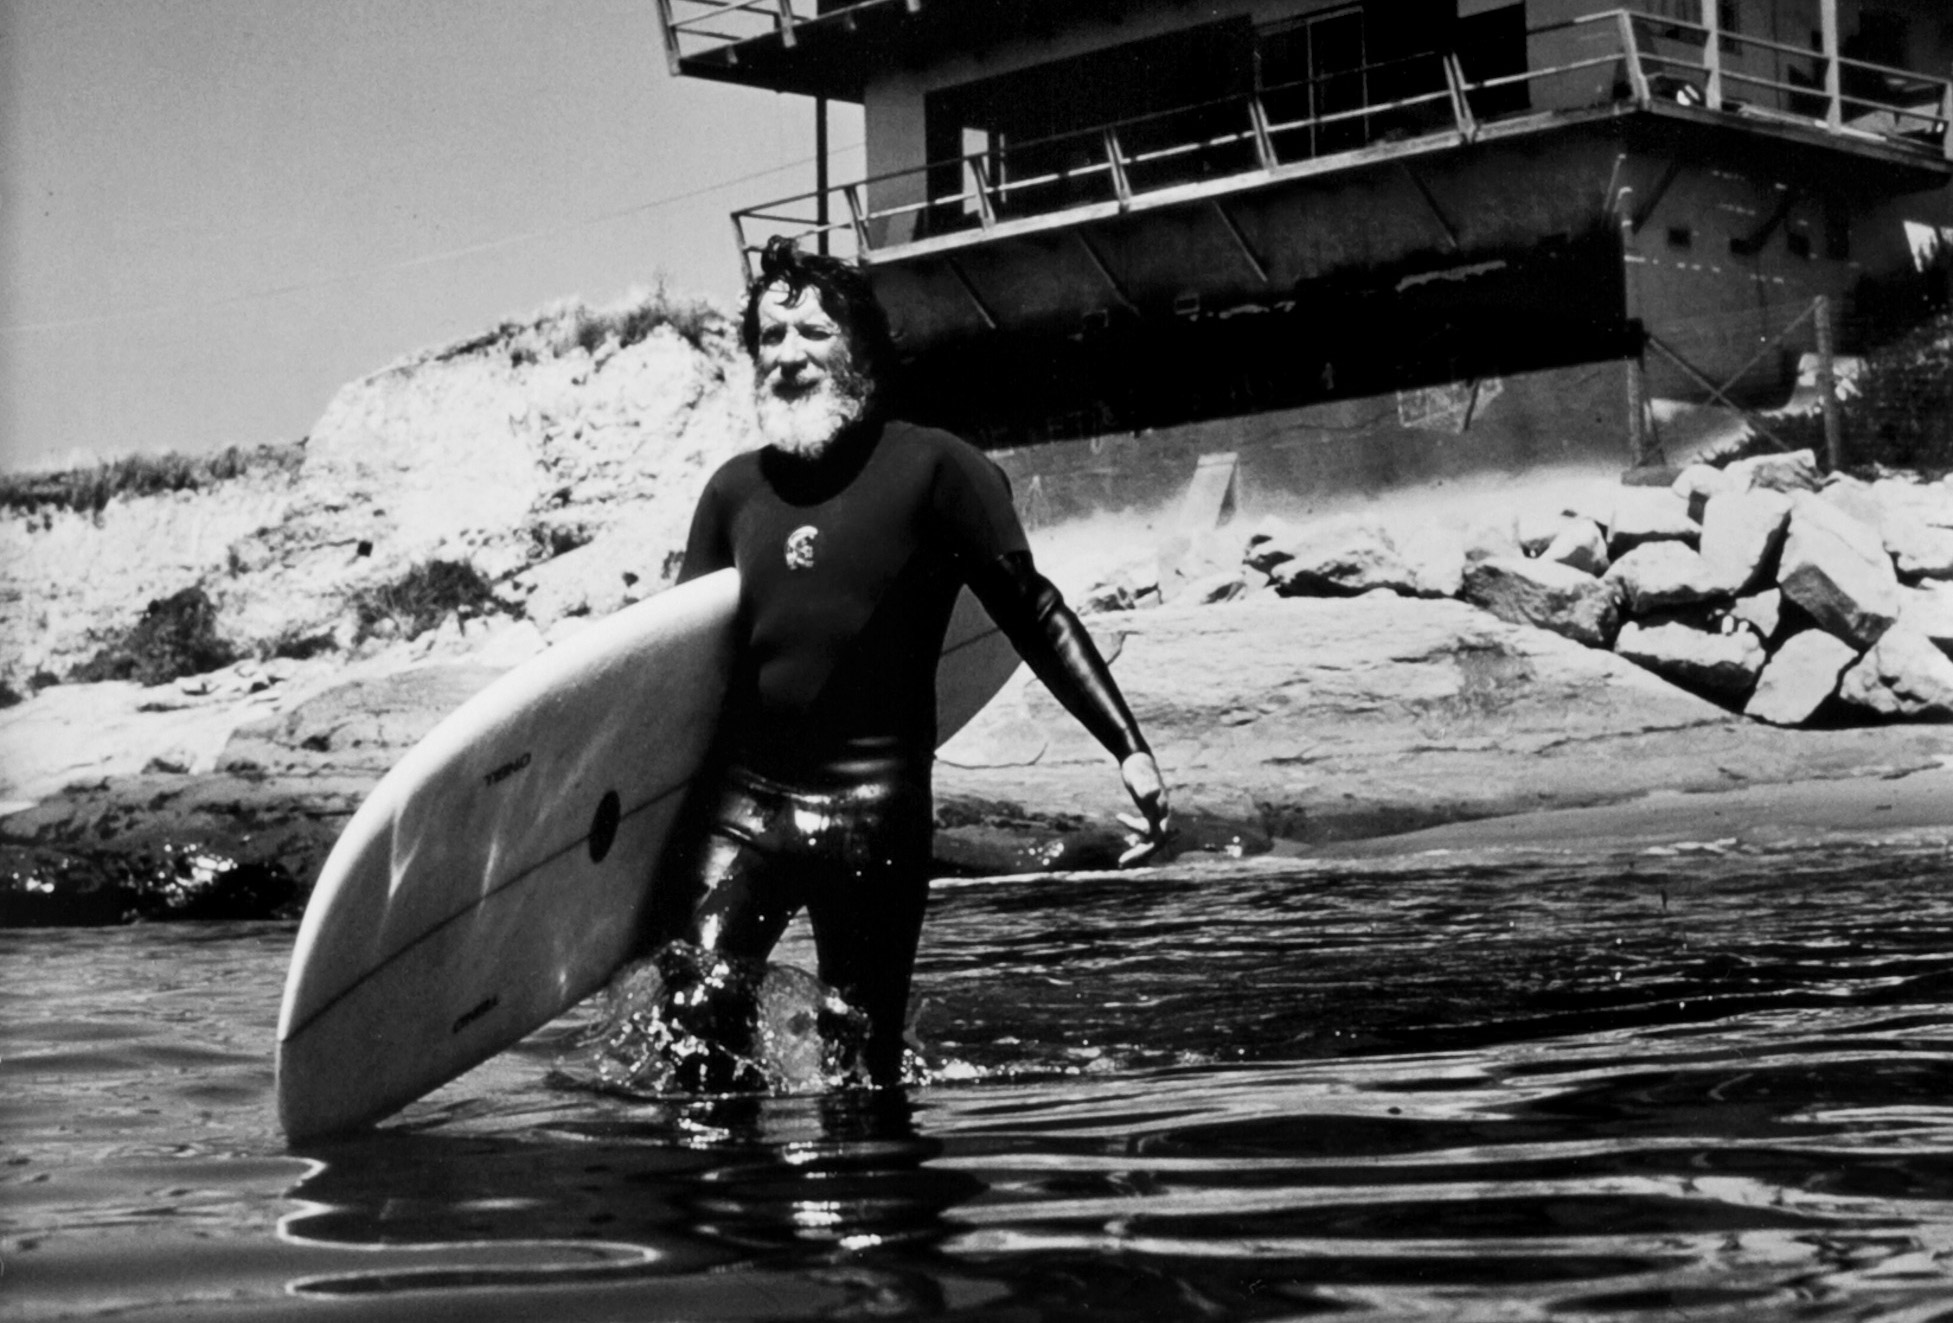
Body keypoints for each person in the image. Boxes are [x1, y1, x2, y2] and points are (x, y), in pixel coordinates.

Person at [647, 236, 1168, 1085]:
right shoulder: (732, 491)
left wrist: (1128, 747)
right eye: (770, 337)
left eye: (812, 332)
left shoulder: (934, 466)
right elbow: (678, 664)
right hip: (742, 806)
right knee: (696, 1023)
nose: (787, 355)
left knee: (859, 1062)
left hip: (871, 808)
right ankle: (738, 1210)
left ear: (861, 348)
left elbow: (1032, 611)